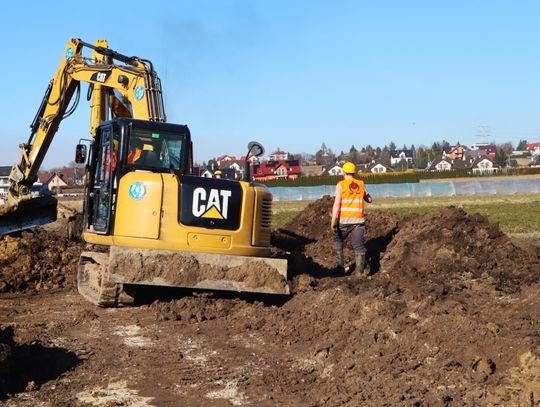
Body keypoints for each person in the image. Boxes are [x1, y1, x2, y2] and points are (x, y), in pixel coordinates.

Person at [330, 162, 372, 275]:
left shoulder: (341, 185)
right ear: (354, 172)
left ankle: (339, 269)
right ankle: (360, 272)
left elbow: (337, 203)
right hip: (358, 221)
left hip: (344, 220)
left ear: (343, 172)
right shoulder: (361, 183)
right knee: (359, 245)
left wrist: (333, 220)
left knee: (337, 240)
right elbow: (369, 200)